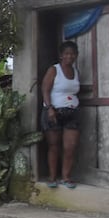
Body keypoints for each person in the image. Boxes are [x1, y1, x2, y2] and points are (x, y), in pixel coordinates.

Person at [40, 40, 80, 189]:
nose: (70, 56)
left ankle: (66, 177)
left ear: (76, 55)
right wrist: (50, 108)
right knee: (54, 146)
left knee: (70, 146)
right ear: (61, 55)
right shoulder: (54, 70)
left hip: (71, 112)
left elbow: (74, 90)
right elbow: (45, 90)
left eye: (73, 54)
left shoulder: (76, 71)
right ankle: (52, 177)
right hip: (54, 112)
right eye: (67, 53)